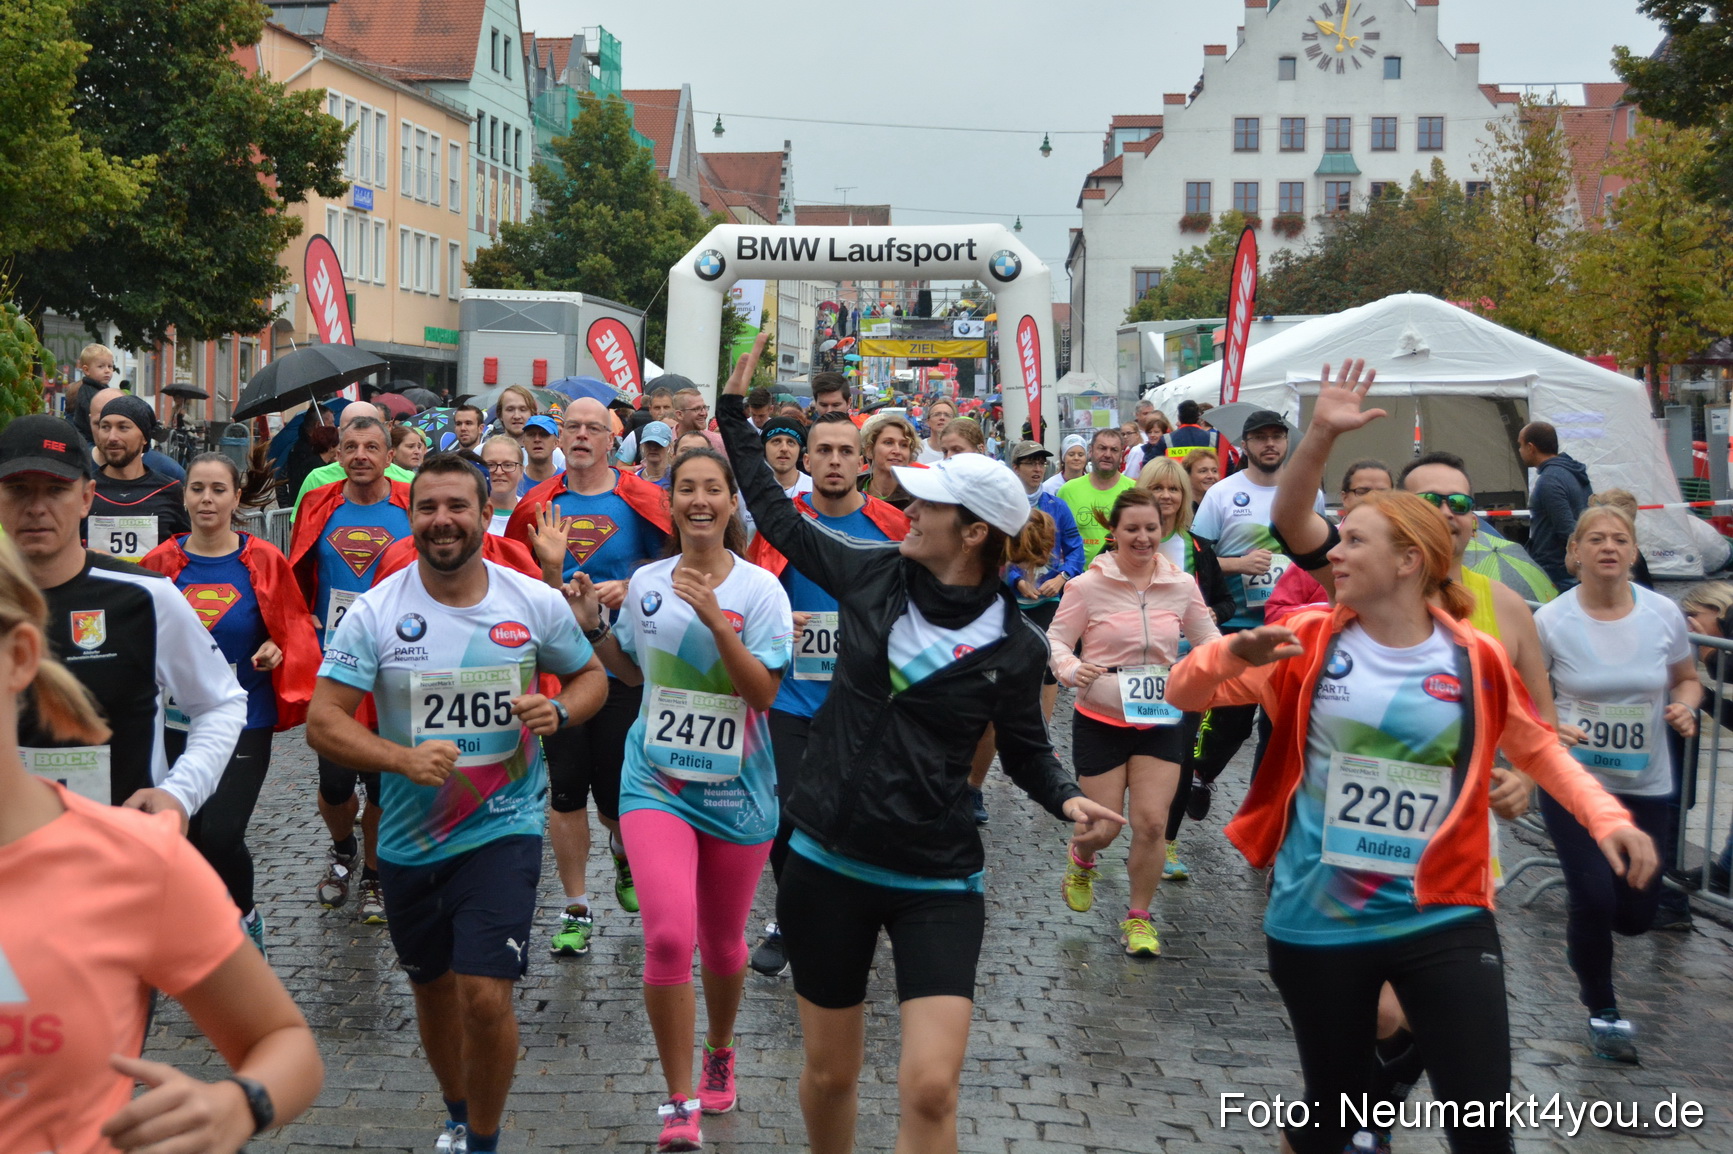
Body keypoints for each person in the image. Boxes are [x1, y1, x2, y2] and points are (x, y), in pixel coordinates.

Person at [717, 333, 1124, 1154]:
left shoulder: (1014, 646)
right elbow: (771, 513)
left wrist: (1067, 797)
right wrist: (734, 412)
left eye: (924, 503)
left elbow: (1022, 750)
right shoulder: (870, 574)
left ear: (972, 533)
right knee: (831, 1076)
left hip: (937, 876)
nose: (904, 508)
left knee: (931, 1088)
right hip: (827, 863)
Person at [1167, 489, 1657, 1154]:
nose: (1332, 552)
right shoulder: (1305, 639)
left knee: (1482, 1126)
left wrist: (1606, 820)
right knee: (1333, 1120)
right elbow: (1183, 693)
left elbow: (1536, 745)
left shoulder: (1473, 656)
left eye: (1352, 541)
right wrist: (1231, 654)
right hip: (1318, 918)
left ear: (1407, 560)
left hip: (1443, 912)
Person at [308, 452, 607, 1154]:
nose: (442, 521)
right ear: (411, 518)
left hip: (503, 826)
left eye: (457, 507)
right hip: (411, 840)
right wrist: (399, 758)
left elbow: (589, 674)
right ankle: (454, 1107)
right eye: (428, 508)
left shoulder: (529, 599)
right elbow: (324, 720)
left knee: (483, 992)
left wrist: (559, 715)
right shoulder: (379, 611)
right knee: (434, 988)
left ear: (482, 514)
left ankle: (483, 1138)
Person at [0, 533, 324, 1154]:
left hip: (126, 843)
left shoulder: (135, 862)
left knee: (225, 840)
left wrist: (236, 1104)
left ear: (20, 657)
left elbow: (286, 1046)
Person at [567, 447, 792, 1151]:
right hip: (655, 781)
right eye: (685, 489)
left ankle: (719, 1047)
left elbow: (762, 695)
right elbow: (631, 673)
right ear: (669, 504)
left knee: (723, 943)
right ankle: (676, 1100)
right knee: (668, 935)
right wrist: (593, 628)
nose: (698, 500)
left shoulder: (760, 590)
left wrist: (719, 622)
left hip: (737, 789)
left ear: (730, 505)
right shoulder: (644, 581)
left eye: (711, 490)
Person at [0, 415, 247, 825]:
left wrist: (178, 794)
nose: (37, 507)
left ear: (86, 497)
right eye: (18, 490)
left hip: (122, 856)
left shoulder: (146, 597)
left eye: (57, 490)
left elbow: (221, 703)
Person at [744, 412, 909, 978]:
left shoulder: (893, 526)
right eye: (824, 451)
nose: (835, 461)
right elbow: (750, 592)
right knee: (786, 813)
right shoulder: (780, 524)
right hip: (790, 695)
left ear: (863, 463)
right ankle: (791, 917)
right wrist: (767, 629)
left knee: (858, 815)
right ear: (805, 461)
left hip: (864, 701)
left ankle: (853, 910)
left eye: (846, 451)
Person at [504, 396, 671, 956]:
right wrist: (552, 576)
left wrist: (635, 584)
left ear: (610, 439)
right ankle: (576, 907)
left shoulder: (642, 498)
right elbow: (518, 586)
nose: (579, 435)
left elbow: (674, 563)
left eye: (591, 428)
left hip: (622, 665)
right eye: (569, 426)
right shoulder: (536, 504)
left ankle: (624, 856)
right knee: (568, 791)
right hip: (561, 671)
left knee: (616, 796)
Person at [1534, 504, 1699, 1063]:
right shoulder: (1551, 621)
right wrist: (1551, 723)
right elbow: (1530, 701)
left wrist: (1684, 708)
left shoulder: (1662, 614)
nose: (1609, 547)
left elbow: (1686, 679)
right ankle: (1603, 1011)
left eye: (1621, 539)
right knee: (1593, 897)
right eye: (1596, 539)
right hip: (1575, 785)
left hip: (1646, 784)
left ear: (1633, 553)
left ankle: (1613, 949)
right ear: (1574, 552)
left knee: (1635, 915)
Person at [140, 452, 322, 951]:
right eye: (197, 488)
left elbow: (295, 628)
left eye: (218, 489)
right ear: (184, 495)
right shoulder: (159, 564)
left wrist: (276, 648)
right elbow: (136, 639)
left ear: (236, 497)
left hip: (245, 717)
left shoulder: (262, 558)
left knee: (221, 833)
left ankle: (245, 920)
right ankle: (204, 929)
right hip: (174, 724)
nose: (206, 499)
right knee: (189, 835)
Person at [1048, 487, 1219, 955]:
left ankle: (1139, 918)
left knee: (1149, 824)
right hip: (1100, 717)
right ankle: (1083, 858)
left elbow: (1209, 639)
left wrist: (1201, 670)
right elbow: (1057, 640)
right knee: (1105, 827)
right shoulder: (1087, 585)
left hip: (1162, 716)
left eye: (1151, 528)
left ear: (1162, 530)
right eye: (1133, 530)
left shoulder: (1181, 584)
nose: (1143, 538)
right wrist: (1070, 669)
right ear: (1114, 532)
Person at [288, 415, 411, 922]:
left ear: (388, 456)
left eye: (371, 446)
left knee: (382, 779)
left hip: (396, 658)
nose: (360, 454)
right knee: (335, 779)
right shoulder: (320, 505)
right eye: (350, 446)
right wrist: (299, 622)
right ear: (337, 456)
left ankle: (376, 876)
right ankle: (343, 850)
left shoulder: (410, 504)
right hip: (335, 659)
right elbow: (294, 568)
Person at [1183, 409, 1325, 820]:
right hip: (1238, 625)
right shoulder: (1222, 494)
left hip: (1293, 630)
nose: (1270, 444)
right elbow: (1198, 561)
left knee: (1278, 728)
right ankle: (1199, 773)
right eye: (1260, 437)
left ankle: (1264, 811)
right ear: (1244, 445)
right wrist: (1238, 563)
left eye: (1277, 437)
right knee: (1232, 720)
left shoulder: (1307, 494)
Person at [1133, 455, 1235, 882]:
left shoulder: (1198, 549)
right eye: (1158, 487)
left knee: (1175, 760)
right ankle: (1102, 836)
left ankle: (1164, 842)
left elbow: (1227, 603)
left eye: (1174, 489)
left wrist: (1211, 611)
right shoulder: (1121, 543)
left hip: (1187, 670)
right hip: (1133, 672)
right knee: (1130, 762)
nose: (1167, 496)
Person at [1006, 441, 1084, 720]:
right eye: (1030, 462)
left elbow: (1076, 549)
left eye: (1041, 463)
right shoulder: (1006, 504)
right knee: (1014, 665)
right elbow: (998, 551)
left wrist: (1062, 577)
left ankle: (1045, 733)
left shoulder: (1057, 506)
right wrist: (1016, 581)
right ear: (1015, 468)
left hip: (1049, 596)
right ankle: (1013, 725)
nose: (1037, 468)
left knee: (1048, 663)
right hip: (1012, 598)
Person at [1263, 459, 1393, 622]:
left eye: (1383, 492)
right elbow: (1276, 613)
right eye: (1362, 491)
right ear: (1344, 497)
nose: (1373, 499)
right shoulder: (1321, 544)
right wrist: (1338, 611)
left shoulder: (1406, 549)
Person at [86, 394, 189, 563]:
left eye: (123, 427)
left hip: (149, 589)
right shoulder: (83, 490)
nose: (112, 437)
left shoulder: (169, 490)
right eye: (105, 427)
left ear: (144, 437)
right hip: (96, 589)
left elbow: (185, 554)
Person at [292, 403, 414, 517]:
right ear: (339, 432)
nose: (360, 455)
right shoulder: (316, 479)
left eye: (367, 425)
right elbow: (299, 534)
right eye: (350, 427)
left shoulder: (409, 483)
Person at [1518, 420, 1591, 589]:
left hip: (1557, 572)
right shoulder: (1572, 471)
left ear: (1531, 447)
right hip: (1570, 569)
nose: (1520, 451)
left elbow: (1567, 530)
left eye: (1520, 445)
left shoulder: (1549, 480)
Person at [1058, 428, 1133, 568]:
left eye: (1114, 450)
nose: (1107, 454)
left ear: (1121, 455)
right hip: (1076, 580)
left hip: (1121, 580)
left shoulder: (1134, 491)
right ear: (1091, 451)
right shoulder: (1067, 491)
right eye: (1102, 448)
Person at [82, 385, 186, 481]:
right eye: (103, 425)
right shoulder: (76, 465)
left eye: (122, 427)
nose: (111, 437)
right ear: (89, 421)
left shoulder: (168, 471)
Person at [859, 412, 920, 510]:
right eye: (888, 443)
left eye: (904, 445)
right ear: (869, 450)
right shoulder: (851, 490)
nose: (897, 451)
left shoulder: (919, 498)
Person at [66, 342, 116, 445]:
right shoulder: (88, 392)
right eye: (101, 366)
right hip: (88, 441)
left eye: (110, 366)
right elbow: (95, 420)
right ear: (86, 370)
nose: (107, 371)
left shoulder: (102, 388)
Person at [617, 385, 677, 464]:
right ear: (650, 409)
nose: (662, 412)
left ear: (674, 408)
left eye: (666, 407)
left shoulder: (683, 433)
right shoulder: (636, 435)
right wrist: (641, 470)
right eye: (657, 408)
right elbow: (620, 467)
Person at [761, 415, 813, 498]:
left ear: (801, 451)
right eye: (776, 441)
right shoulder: (746, 490)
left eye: (791, 442)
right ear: (764, 449)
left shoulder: (815, 490)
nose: (784, 448)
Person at [481, 435, 524, 536]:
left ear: (521, 471)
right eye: (491, 465)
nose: (499, 472)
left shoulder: (532, 512)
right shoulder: (470, 514)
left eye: (508, 465)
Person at [671, 386, 725, 452]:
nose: (703, 413)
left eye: (704, 407)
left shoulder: (718, 442)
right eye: (696, 409)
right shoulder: (664, 440)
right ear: (679, 414)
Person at [520, 414, 562, 491]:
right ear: (524, 442)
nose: (537, 439)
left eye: (544, 435)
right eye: (531, 434)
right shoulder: (514, 482)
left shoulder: (566, 482)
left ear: (556, 443)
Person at [1039, 433, 1088, 497]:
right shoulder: (1049, 487)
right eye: (1071, 454)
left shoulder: (1094, 484)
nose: (1076, 458)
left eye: (1080, 455)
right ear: (1063, 457)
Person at [916, 398, 957, 464]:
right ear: (928, 421)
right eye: (937, 414)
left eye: (947, 415)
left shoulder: (961, 451)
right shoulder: (917, 449)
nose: (942, 418)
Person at [636, 421, 674, 485]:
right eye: (649, 443)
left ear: (669, 447)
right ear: (643, 446)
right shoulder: (634, 479)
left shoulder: (676, 478)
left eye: (658, 444)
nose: (653, 448)